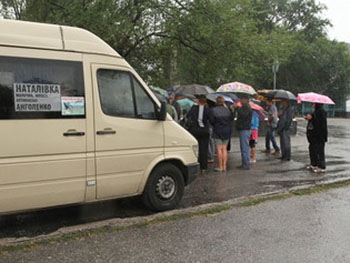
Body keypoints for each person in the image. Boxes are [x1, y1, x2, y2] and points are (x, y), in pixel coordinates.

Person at [209, 96, 233, 172]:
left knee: (219, 149)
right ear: (223, 102)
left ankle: (220, 166)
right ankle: (225, 167)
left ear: (216, 102)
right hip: (227, 130)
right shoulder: (228, 110)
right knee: (224, 149)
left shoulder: (213, 110)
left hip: (217, 130)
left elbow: (211, 121)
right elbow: (231, 119)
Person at [186, 95, 210, 171]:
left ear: (198, 100)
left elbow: (188, 116)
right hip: (204, 130)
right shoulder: (207, 109)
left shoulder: (193, 108)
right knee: (204, 148)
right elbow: (211, 119)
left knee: (196, 148)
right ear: (205, 101)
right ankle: (204, 167)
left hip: (195, 130)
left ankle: (196, 163)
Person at [305, 103, 328, 173]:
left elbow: (320, 123)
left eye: (314, 103)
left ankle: (321, 166)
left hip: (319, 136)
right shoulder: (316, 111)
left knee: (319, 151)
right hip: (313, 136)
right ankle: (313, 164)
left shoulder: (321, 111)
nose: (312, 104)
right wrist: (310, 118)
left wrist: (312, 118)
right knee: (312, 149)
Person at [234, 94, 253, 170]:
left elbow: (244, 115)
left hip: (244, 129)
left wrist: (237, 108)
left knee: (245, 147)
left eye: (241, 99)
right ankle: (244, 163)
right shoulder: (245, 107)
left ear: (245, 99)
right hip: (244, 128)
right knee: (244, 147)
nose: (240, 101)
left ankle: (246, 164)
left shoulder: (246, 107)